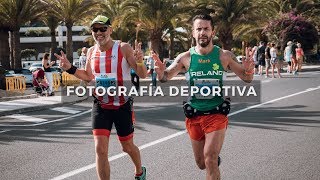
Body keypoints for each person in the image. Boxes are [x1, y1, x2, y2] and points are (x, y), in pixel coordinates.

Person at [153, 14, 254, 179]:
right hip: (194, 115)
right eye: (199, 29)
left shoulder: (224, 56)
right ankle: (211, 162)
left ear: (212, 32)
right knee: (201, 163)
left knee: (210, 158)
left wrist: (249, 70)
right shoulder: (185, 58)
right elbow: (166, 77)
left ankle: (212, 162)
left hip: (217, 114)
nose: (202, 32)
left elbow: (247, 78)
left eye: (206, 29)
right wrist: (160, 73)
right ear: (193, 33)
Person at [55, 15, 148, 180]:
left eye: (103, 28)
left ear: (110, 30)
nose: (99, 33)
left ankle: (140, 171)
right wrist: (70, 68)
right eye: (95, 29)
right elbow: (88, 76)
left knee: (127, 147)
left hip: (122, 105)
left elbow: (143, 75)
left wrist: (140, 62)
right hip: (101, 106)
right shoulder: (91, 52)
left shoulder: (123, 48)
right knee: (100, 149)